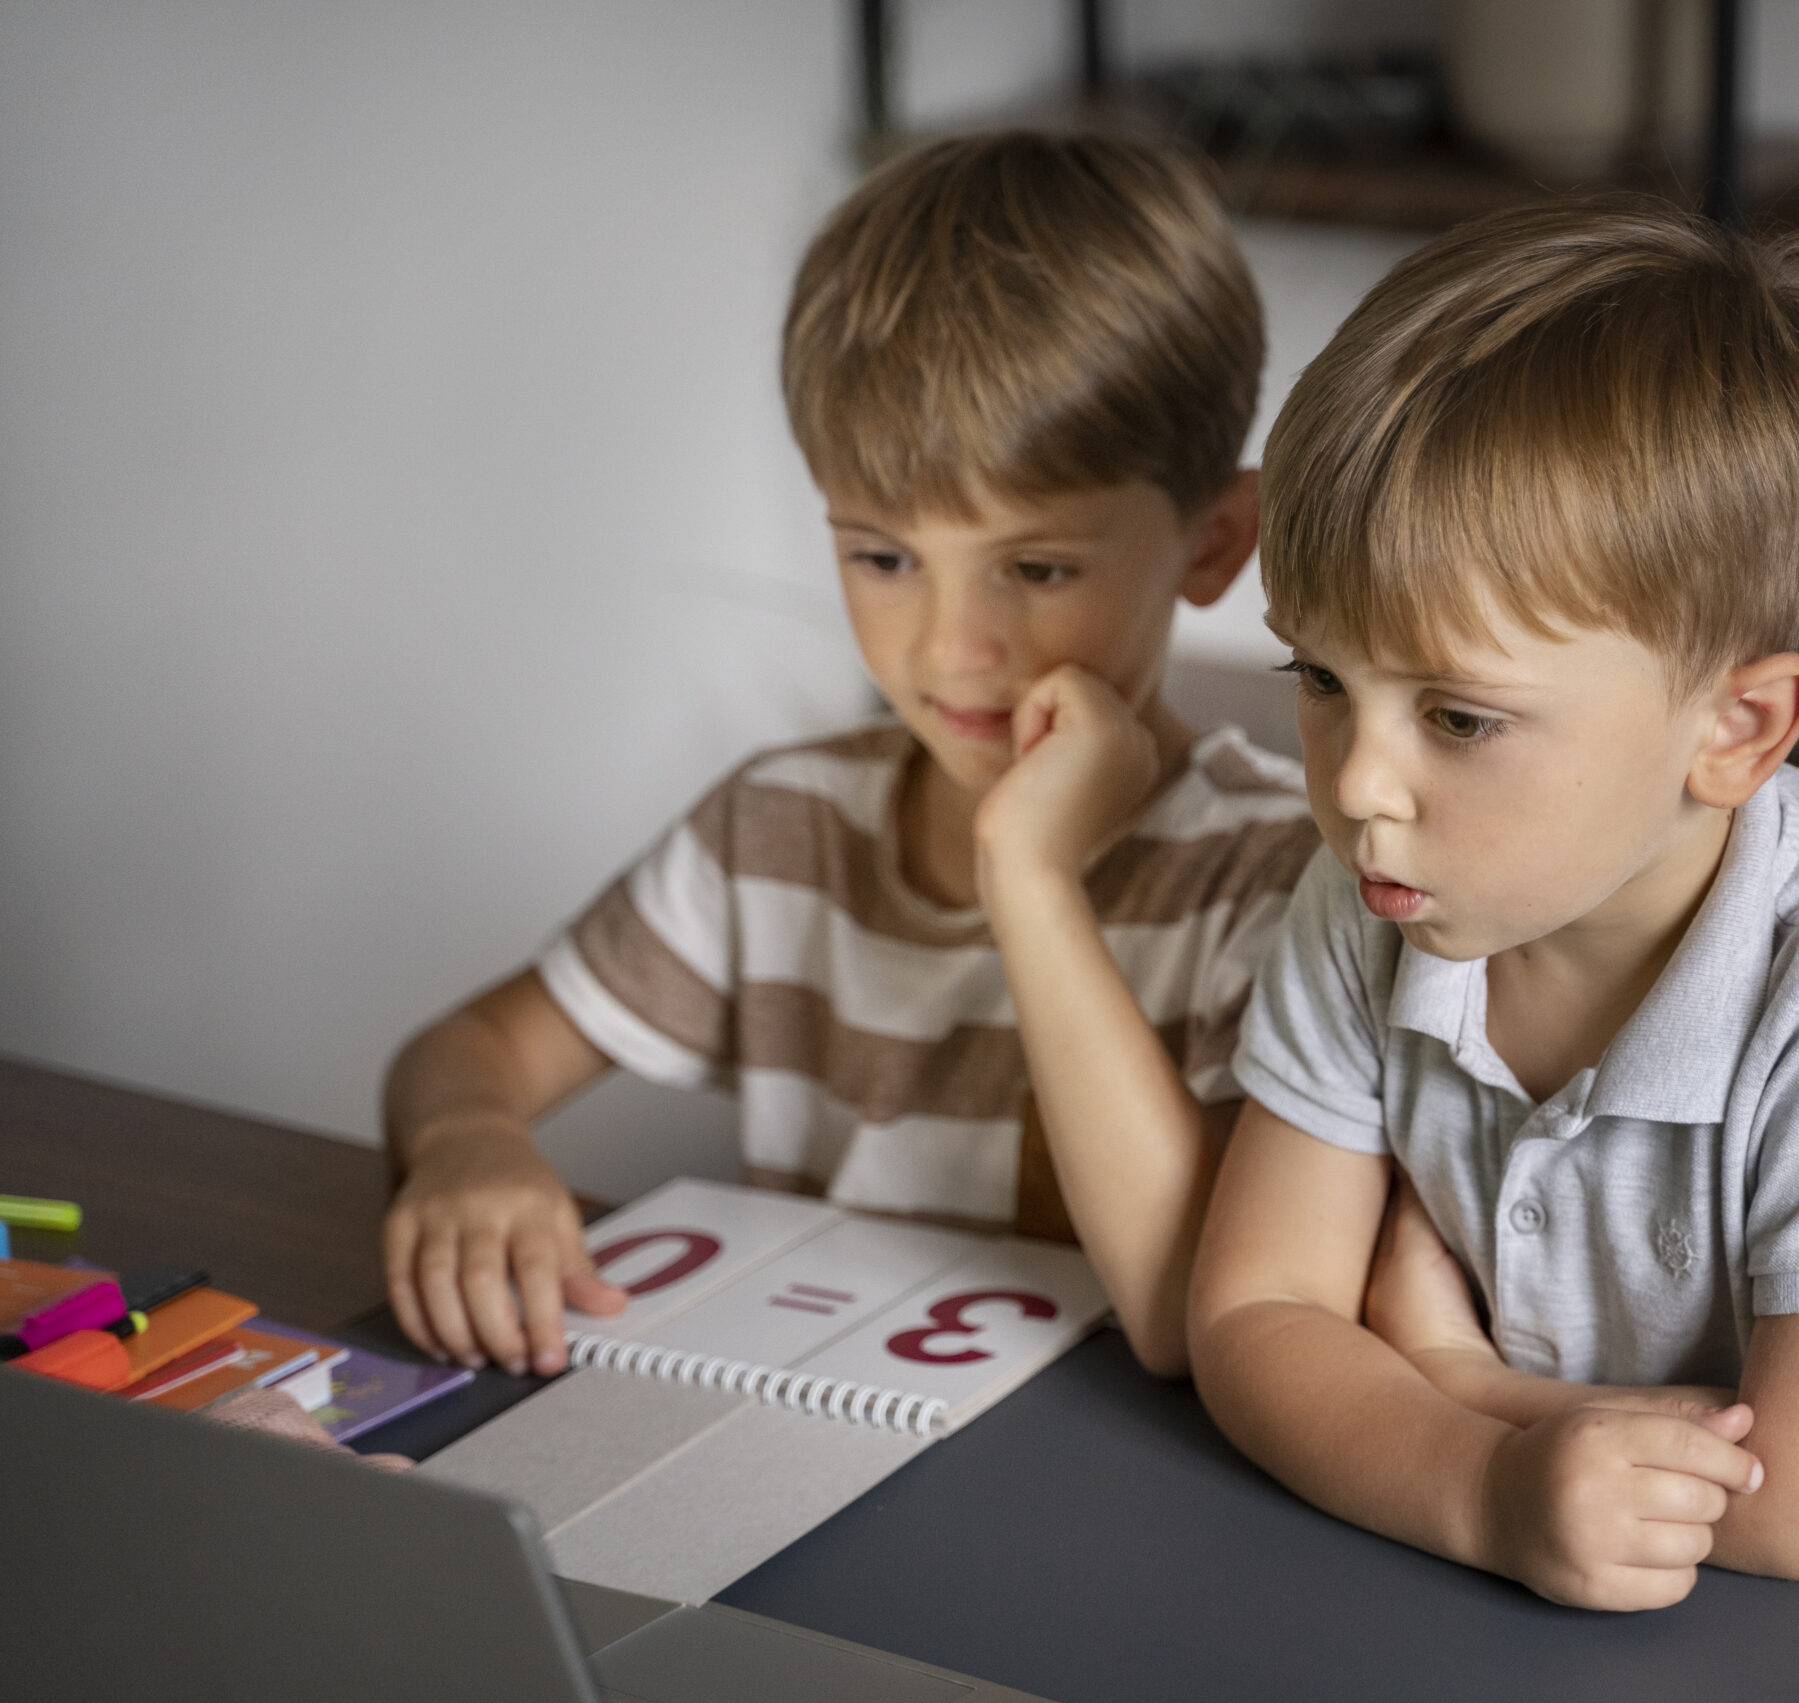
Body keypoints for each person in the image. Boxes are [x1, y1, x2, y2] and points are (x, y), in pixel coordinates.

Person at [1186, 197, 1799, 1612]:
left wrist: (1453, 1383)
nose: (1357, 783)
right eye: (1317, 677)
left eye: (1458, 715)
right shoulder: (1370, 897)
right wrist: (1481, 1489)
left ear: (1736, 730)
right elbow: (1257, 1312)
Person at [382, 131, 1318, 1385]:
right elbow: (465, 1053)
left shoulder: (1275, 880)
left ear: (1214, 543)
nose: (952, 648)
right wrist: (467, 1141)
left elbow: (1192, 1310)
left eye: (1037, 568)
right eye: (883, 558)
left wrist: (1029, 883)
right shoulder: (782, 830)